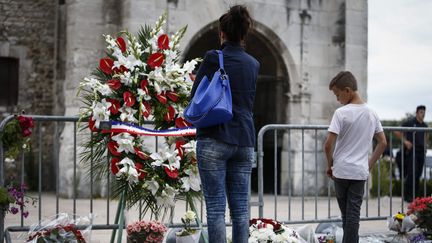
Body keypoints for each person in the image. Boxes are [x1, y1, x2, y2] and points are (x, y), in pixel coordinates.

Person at [188, 5, 260, 243]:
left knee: (216, 208)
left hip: (214, 137)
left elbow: (195, 95)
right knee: (241, 209)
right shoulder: (254, 64)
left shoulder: (212, 58)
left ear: (222, 33)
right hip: (245, 140)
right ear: (244, 34)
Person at [324, 71, 387, 243]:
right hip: (359, 172)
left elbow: (328, 144)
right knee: (353, 215)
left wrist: (330, 165)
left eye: (338, 95)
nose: (337, 100)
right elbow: (382, 142)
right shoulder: (372, 113)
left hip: (341, 170)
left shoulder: (341, 113)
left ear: (347, 90)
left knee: (346, 216)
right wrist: (369, 164)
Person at [395, 105, 428, 202]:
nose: (423, 114)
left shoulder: (425, 126)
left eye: (424, 112)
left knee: (418, 174)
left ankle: (415, 197)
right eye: (421, 112)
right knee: (411, 174)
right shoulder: (410, 122)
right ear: (417, 113)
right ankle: (408, 196)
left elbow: (426, 136)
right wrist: (405, 141)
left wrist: (425, 145)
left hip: (421, 152)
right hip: (412, 151)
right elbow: (397, 131)